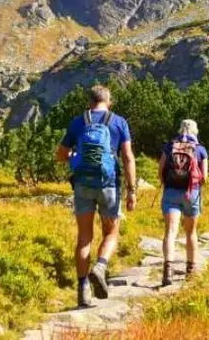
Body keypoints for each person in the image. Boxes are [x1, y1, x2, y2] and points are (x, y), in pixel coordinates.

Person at [55, 85, 137, 307]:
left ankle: (83, 290)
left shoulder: (78, 122)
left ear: (89, 102)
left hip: (82, 184)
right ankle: (100, 266)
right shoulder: (119, 122)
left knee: (84, 238)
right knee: (111, 233)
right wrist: (131, 190)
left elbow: (60, 155)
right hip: (109, 184)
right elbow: (128, 157)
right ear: (108, 101)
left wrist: (74, 156)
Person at [158, 119, 209, 286]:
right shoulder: (200, 149)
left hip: (171, 192)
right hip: (191, 194)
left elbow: (161, 171)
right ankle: (191, 270)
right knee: (191, 233)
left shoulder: (169, 146)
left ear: (180, 129)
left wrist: (169, 184)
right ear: (196, 131)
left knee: (170, 231)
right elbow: (205, 177)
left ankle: (168, 272)